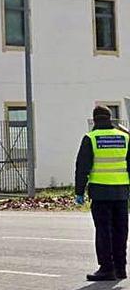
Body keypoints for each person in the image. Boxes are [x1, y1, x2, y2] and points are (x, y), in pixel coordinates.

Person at [75, 106, 130, 281]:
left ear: (95, 119)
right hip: (122, 192)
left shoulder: (90, 138)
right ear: (110, 118)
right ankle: (121, 268)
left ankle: (107, 268)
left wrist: (79, 192)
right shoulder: (125, 137)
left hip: (100, 193)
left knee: (104, 231)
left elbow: (82, 168)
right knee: (121, 230)